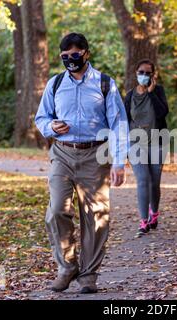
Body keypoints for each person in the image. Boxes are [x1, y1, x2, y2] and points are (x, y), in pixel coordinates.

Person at [35, 33, 128, 294]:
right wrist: (51, 126)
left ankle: (88, 275)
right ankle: (66, 265)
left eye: (75, 55)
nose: (70, 60)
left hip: (95, 155)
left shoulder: (105, 84)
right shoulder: (55, 84)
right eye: (65, 57)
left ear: (86, 53)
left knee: (96, 217)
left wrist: (119, 162)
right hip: (62, 154)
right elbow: (41, 118)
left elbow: (119, 125)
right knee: (56, 211)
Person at [124, 59, 169, 236]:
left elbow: (162, 113)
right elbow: (125, 120)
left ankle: (154, 213)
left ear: (153, 75)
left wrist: (150, 93)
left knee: (154, 182)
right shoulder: (130, 96)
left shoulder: (158, 92)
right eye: (141, 72)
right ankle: (143, 221)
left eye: (147, 73)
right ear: (136, 73)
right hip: (136, 144)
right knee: (143, 180)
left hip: (157, 142)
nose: (144, 75)